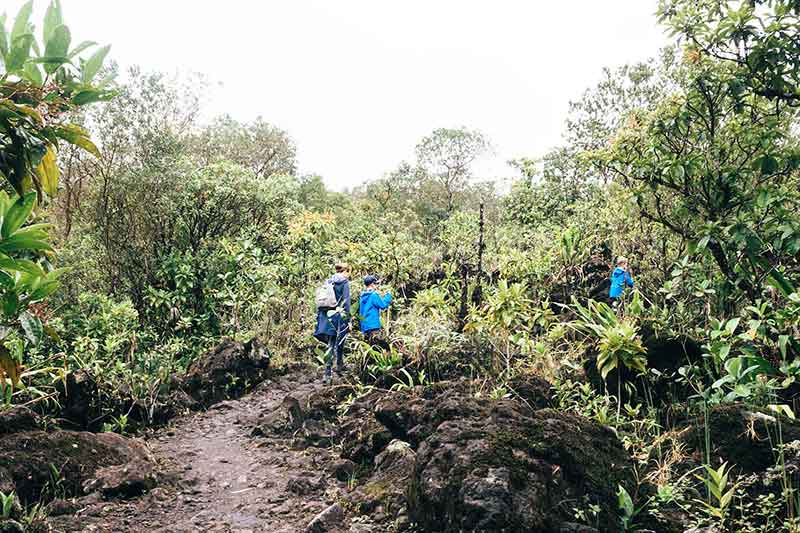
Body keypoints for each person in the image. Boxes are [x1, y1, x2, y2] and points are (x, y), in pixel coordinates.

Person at [314, 262, 351, 384]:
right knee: (336, 342)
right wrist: (348, 319)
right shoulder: (344, 283)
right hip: (337, 316)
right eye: (349, 272)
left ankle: (335, 368)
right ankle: (331, 372)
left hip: (325, 316)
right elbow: (346, 302)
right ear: (345, 271)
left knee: (333, 342)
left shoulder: (328, 282)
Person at [359, 275, 392, 346]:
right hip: (373, 325)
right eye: (375, 284)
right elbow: (382, 305)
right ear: (372, 284)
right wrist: (388, 296)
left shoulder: (362, 296)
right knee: (377, 346)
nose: (376, 286)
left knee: (369, 346)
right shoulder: (373, 295)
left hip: (365, 326)